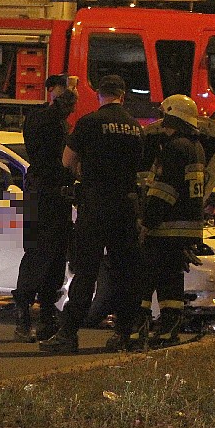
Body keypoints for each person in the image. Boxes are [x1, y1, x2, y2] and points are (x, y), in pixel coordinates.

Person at [40, 74, 144, 353]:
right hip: (125, 207)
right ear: (123, 95)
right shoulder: (135, 127)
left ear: (99, 94)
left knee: (86, 272)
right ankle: (124, 335)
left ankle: (69, 334)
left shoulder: (89, 122)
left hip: (95, 206)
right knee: (124, 273)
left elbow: (66, 160)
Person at [126, 94, 206, 348]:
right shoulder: (197, 147)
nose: (161, 121)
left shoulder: (175, 148)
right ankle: (168, 331)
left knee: (144, 277)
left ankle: (136, 331)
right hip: (186, 227)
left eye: (163, 115)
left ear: (172, 116)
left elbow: (164, 191)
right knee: (171, 281)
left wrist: (147, 222)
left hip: (166, 227)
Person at [12, 74, 77, 342]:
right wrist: (62, 104)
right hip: (41, 196)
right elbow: (48, 151)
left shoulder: (58, 121)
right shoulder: (41, 118)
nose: (67, 96)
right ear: (51, 91)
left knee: (56, 259)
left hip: (56, 196)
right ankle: (23, 315)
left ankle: (47, 314)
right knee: (38, 256)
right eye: (63, 90)